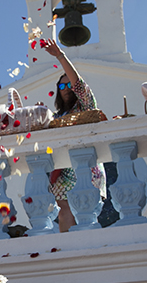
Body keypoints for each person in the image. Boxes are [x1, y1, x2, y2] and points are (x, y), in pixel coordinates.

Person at [41, 38, 106, 232]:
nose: (67, 88)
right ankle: (68, 246)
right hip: (63, 171)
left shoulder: (85, 106)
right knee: (64, 211)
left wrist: (60, 56)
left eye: (69, 84)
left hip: (85, 167)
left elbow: (79, 84)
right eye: (61, 86)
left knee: (85, 211)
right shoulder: (58, 117)